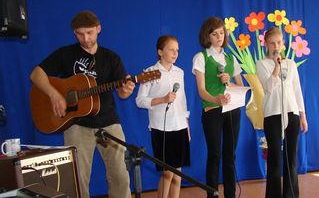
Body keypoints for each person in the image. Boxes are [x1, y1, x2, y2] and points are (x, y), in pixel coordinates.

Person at [30, 11, 135, 198]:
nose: (85, 38)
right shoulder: (65, 54)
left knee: (120, 175)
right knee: (78, 178)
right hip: (76, 124)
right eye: (79, 34)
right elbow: (36, 74)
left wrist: (126, 90)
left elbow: (122, 92)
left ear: (98, 29)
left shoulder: (112, 58)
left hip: (109, 122)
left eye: (89, 33)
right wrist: (54, 94)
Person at [192, 17, 243, 198]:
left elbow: (241, 88)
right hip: (212, 111)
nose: (219, 36)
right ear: (207, 36)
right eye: (215, 34)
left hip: (232, 112)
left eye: (222, 32)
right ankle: (211, 195)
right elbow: (201, 90)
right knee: (214, 155)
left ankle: (230, 194)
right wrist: (216, 99)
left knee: (230, 155)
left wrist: (229, 82)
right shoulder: (201, 57)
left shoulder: (231, 58)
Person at [255, 27, 308, 198]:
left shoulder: (291, 64)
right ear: (266, 44)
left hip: (291, 114)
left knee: (291, 159)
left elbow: (297, 90)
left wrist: (302, 115)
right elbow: (269, 87)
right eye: (272, 43)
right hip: (273, 115)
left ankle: (291, 195)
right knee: (275, 160)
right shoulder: (261, 64)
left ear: (283, 44)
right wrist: (276, 66)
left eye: (279, 42)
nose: (276, 46)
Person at [136, 35, 190, 198]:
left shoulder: (179, 72)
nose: (175, 53)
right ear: (160, 51)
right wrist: (162, 99)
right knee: (167, 172)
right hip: (161, 127)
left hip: (180, 125)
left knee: (178, 172)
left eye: (177, 50)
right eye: (171, 50)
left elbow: (182, 101)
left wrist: (187, 125)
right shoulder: (150, 73)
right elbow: (140, 100)